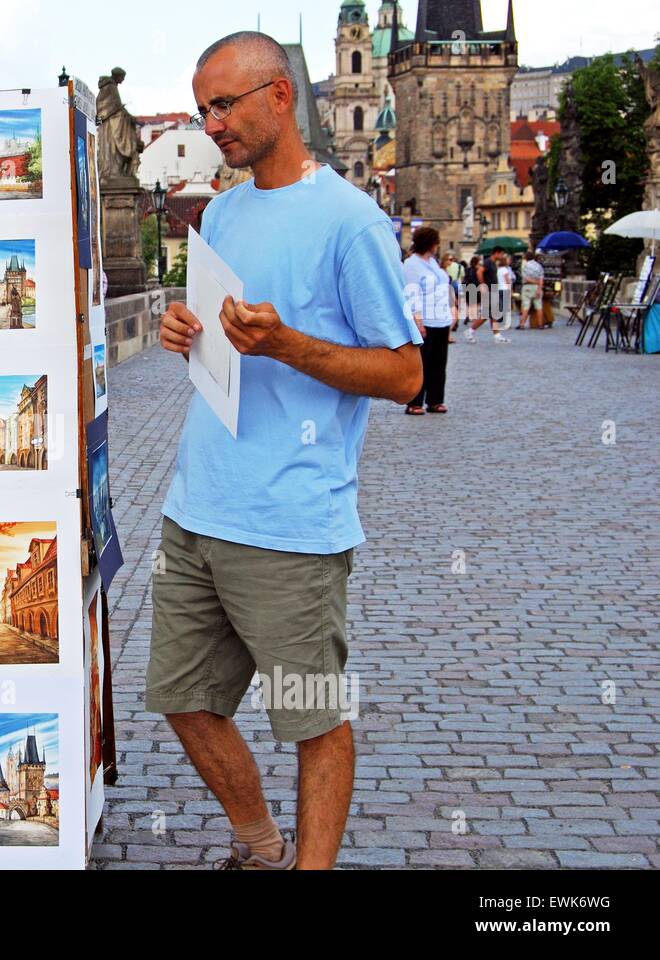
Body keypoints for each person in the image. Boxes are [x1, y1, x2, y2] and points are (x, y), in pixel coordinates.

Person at [153, 31, 422, 871]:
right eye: (203, 108)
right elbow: (217, 348)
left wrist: (290, 346)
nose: (212, 123)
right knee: (184, 701)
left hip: (292, 525)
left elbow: (408, 373)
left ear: (280, 97)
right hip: (196, 508)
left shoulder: (350, 221)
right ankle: (260, 846)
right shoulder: (223, 213)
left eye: (224, 104)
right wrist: (182, 332)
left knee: (313, 719)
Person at [402, 227, 454, 414]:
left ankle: (435, 400)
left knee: (439, 364)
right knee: (421, 364)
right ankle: (414, 402)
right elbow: (411, 293)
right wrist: (418, 320)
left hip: (440, 319)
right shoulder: (411, 265)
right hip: (424, 319)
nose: (437, 245)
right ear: (430, 243)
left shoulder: (433, 263)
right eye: (436, 242)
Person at [464, 253, 511, 343]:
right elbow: (479, 273)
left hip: (492, 290)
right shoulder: (488, 263)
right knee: (489, 314)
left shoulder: (491, 264)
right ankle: (470, 331)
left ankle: (496, 335)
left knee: (492, 314)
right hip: (489, 291)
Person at [519, 252, 545, 329]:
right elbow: (541, 279)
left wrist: (534, 281)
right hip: (537, 287)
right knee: (539, 306)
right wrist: (539, 288)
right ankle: (540, 324)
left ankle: (522, 324)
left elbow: (525, 278)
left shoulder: (525, 266)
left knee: (525, 306)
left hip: (527, 287)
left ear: (526, 258)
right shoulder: (539, 266)